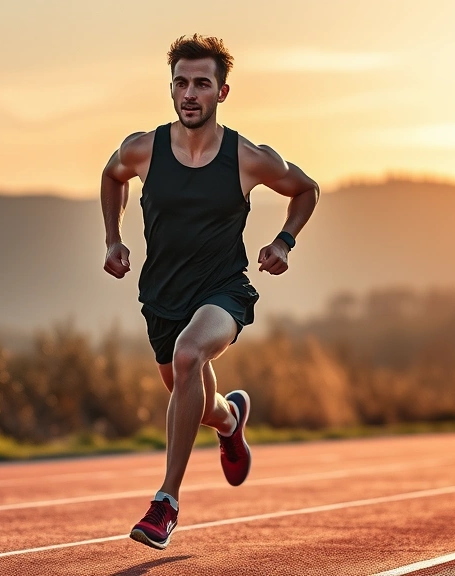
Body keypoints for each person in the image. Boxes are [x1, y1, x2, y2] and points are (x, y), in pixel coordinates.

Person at [100, 33, 319, 550]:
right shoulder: (142, 149)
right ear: (171, 89)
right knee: (192, 395)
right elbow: (112, 178)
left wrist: (285, 241)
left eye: (202, 83)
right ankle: (230, 420)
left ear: (222, 92)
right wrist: (113, 237)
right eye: (181, 83)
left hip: (224, 291)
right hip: (162, 297)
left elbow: (306, 189)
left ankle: (165, 503)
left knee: (190, 352)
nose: (190, 93)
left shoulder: (247, 157)